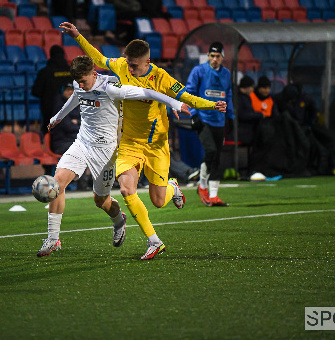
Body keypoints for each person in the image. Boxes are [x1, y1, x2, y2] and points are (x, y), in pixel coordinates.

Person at [60, 21, 227, 260]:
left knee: (158, 201)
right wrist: (78, 36)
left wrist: (212, 104)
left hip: (156, 146)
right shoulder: (122, 65)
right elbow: (98, 58)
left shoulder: (161, 78)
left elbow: (187, 96)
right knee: (127, 189)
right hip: (129, 143)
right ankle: (154, 241)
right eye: (128, 63)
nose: (130, 68)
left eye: (135, 65)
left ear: (148, 62)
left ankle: (172, 187)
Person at [37, 55, 190, 257]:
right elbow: (76, 97)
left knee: (100, 201)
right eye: (78, 82)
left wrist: (175, 103)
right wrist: (58, 117)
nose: (81, 86)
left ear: (94, 73)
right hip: (82, 143)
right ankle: (53, 238)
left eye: (84, 81)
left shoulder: (111, 87)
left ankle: (119, 220)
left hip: (106, 152)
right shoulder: (79, 84)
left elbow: (146, 91)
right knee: (57, 183)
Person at [186, 42, 234, 207]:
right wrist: (193, 115)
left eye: (218, 56)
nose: (214, 59)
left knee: (218, 157)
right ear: (208, 56)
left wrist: (231, 116)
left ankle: (214, 196)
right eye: (212, 56)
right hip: (203, 119)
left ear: (222, 58)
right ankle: (203, 186)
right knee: (211, 151)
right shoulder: (198, 71)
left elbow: (228, 95)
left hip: (219, 120)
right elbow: (189, 93)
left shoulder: (226, 74)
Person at [31, 45, 72, 136]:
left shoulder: (45, 72)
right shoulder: (71, 71)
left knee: (49, 136)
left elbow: (36, 91)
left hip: (49, 110)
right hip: (69, 110)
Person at [49, 82, 80, 155]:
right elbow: (69, 127)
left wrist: (77, 122)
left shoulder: (76, 105)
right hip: (62, 143)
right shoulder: (59, 108)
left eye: (72, 90)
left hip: (74, 140)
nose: (70, 92)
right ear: (63, 91)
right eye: (68, 90)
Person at [236, 76, 264, 145]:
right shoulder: (238, 98)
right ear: (247, 87)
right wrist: (259, 115)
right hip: (242, 132)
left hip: (246, 130)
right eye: (252, 87)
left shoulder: (245, 98)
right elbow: (242, 115)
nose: (253, 90)